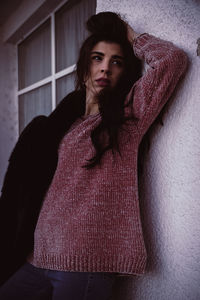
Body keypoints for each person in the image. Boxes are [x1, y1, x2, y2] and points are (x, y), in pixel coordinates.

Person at [0, 11, 187, 300]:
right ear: (84, 65)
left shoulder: (127, 118)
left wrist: (132, 37)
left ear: (125, 71)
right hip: (38, 258)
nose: (105, 68)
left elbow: (172, 60)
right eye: (97, 58)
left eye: (117, 61)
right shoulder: (64, 122)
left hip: (84, 266)